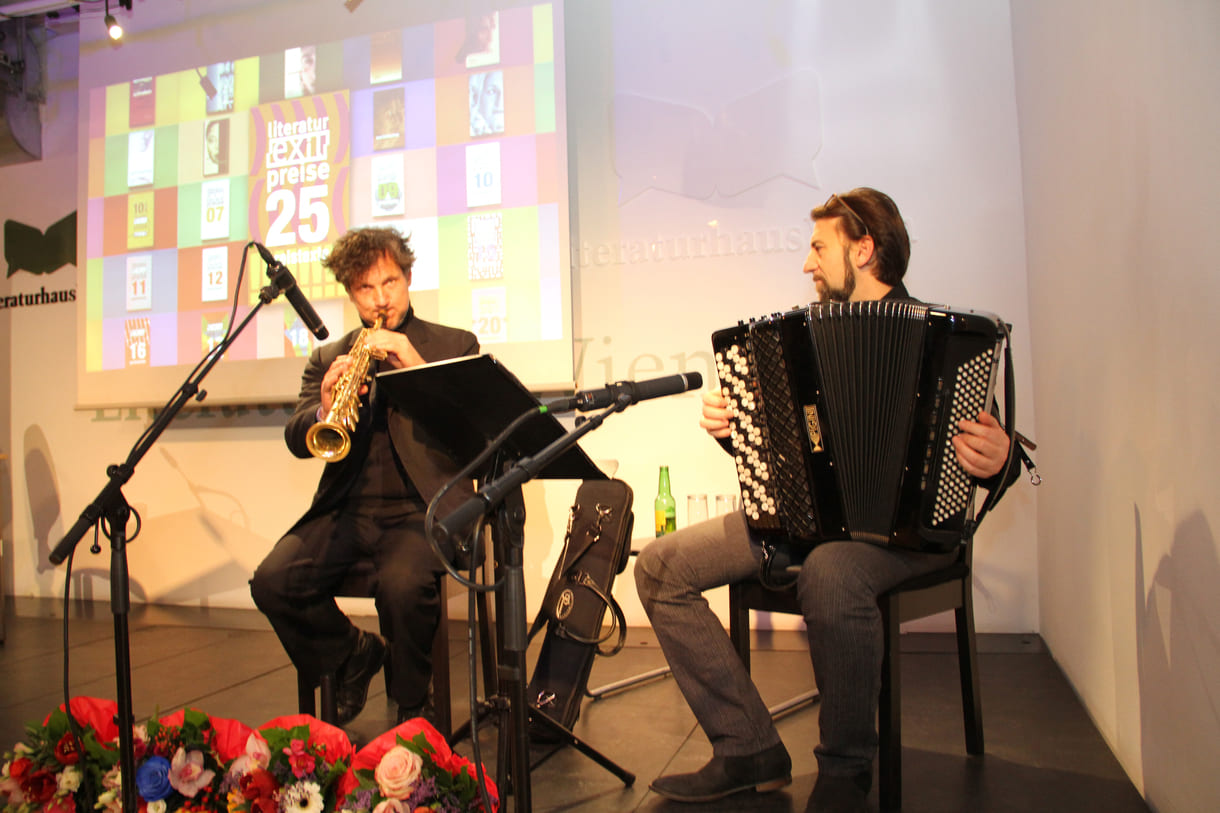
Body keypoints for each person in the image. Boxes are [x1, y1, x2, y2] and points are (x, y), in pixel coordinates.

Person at [635, 188, 1012, 812]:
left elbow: (995, 448)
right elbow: (787, 459)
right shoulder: (797, 341)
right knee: (660, 566)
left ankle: (844, 772)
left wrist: (996, 458)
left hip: (902, 539)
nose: (807, 265)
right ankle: (746, 747)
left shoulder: (945, 342)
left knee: (832, 569)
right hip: (797, 524)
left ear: (863, 250)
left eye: (818, 248)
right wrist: (742, 432)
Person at [251, 226, 479, 725]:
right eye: (366, 289)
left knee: (401, 586)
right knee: (272, 581)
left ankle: (411, 708)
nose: (381, 299)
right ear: (350, 294)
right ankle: (352, 655)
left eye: (390, 283)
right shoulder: (329, 358)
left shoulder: (453, 344)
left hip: (422, 511)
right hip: (346, 511)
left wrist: (415, 368)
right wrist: (324, 410)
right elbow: (297, 438)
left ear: (409, 278)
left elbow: (473, 434)